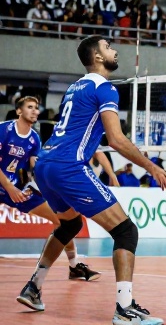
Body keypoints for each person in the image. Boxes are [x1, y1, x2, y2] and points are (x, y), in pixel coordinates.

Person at [16, 36, 166, 324]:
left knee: (70, 224)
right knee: (126, 231)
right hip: (68, 166)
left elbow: (84, 134)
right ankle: (125, 309)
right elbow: (116, 140)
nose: (115, 51)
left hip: (46, 165)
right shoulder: (105, 88)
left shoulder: (75, 87)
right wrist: (152, 167)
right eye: (108, 47)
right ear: (97, 57)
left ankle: (33, 287)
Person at [1, 97, 100, 283]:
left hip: (15, 188)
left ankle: (74, 266)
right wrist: (8, 187)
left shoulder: (34, 138)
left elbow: (34, 168)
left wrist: (42, 186)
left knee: (62, 221)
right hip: (6, 185)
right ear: (19, 111)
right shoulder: (4, 130)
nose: (35, 111)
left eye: (36, 108)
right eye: (30, 107)